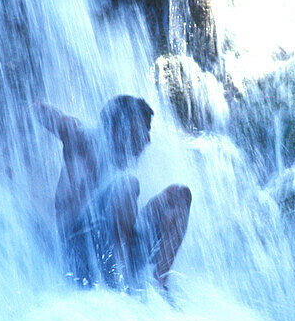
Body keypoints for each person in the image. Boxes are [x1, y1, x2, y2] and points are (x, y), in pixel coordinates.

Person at [36, 95, 191, 291]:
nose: (148, 140)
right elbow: (38, 110)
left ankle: (160, 285)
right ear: (123, 125)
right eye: (145, 130)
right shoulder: (82, 137)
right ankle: (122, 284)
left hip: (113, 250)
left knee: (180, 195)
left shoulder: (118, 163)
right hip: (79, 253)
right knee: (127, 184)